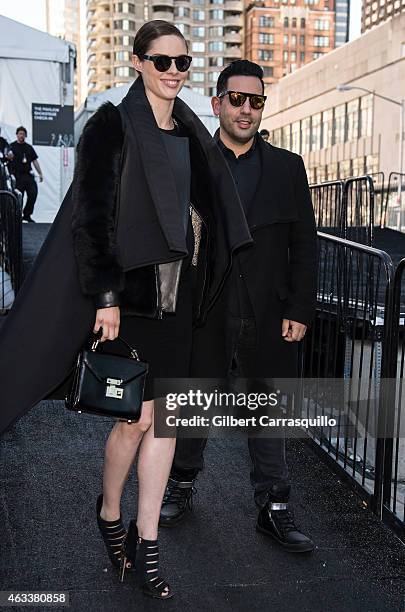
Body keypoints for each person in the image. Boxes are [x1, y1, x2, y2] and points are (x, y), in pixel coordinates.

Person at [0, 22, 251, 599]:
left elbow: (206, 214)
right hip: (133, 297)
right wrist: (106, 298)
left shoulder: (193, 132)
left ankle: (147, 539)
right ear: (137, 63)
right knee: (133, 418)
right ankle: (110, 511)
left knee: (165, 420)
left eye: (182, 63)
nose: (173, 73)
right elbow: (92, 217)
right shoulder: (112, 124)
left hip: (181, 294)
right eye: (161, 62)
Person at [160, 60, 318, 554]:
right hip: (207, 310)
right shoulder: (192, 163)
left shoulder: (288, 168)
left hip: (268, 312)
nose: (246, 109)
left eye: (256, 101)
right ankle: (181, 485)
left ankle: (274, 507)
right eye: (237, 99)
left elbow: (305, 245)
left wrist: (300, 308)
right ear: (217, 104)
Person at [9, 126, 43, 222]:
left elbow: (35, 161)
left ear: (26, 136)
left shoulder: (29, 148)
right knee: (19, 196)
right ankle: (17, 216)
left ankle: (27, 214)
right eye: (20, 134)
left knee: (33, 193)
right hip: (17, 175)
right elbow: (7, 158)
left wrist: (40, 173)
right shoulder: (12, 146)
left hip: (28, 175)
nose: (21, 136)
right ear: (17, 135)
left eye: (23, 134)